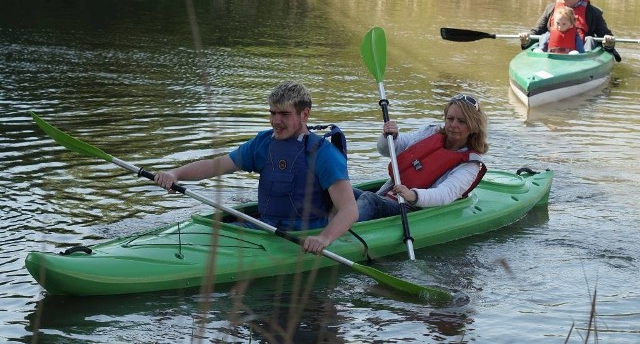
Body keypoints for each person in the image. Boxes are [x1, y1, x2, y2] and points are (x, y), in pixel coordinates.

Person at [154, 81, 358, 254]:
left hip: (303, 237)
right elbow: (217, 165)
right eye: (272, 112)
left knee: (358, 204)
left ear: (304, 114)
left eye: (284, 114)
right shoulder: (263, 144)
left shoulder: (323, 153)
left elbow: (349, 210)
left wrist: (323, 239)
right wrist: (175, 174)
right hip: (262, 228)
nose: (275, 121)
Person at [354, 94, 489, 222]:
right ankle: (337, 222)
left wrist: (413, 195)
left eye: (462, 121)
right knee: (340, 190)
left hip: (414, 210)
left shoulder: (471, 164)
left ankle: (340, 232)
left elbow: (445, 194)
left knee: (369, 199)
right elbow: (389, 149)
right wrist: (391, 137)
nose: (453, 125)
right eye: (450, 118)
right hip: (388, 195)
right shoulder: (430, 132)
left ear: (473, 126)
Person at [519, 0, 620, 61]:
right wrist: (526, 40)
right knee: (545, 36)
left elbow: (605, 35)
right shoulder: (551, 8)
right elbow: (537, 32)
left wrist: (608, 43)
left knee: (590, 39)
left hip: (579, 55)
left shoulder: (593, 12)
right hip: (551, 53)